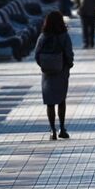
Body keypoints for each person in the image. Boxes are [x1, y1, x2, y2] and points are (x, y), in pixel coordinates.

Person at [34, 10, 75, 141]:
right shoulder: (64, 35)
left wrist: (43, 65)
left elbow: (36, 54)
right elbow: (69, 52)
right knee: (61, 100)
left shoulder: (43, 36)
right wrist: (69, 64)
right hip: (61, 70)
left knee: (50, 102)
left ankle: (52, 130)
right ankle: (62, 128)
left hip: (47, 72)